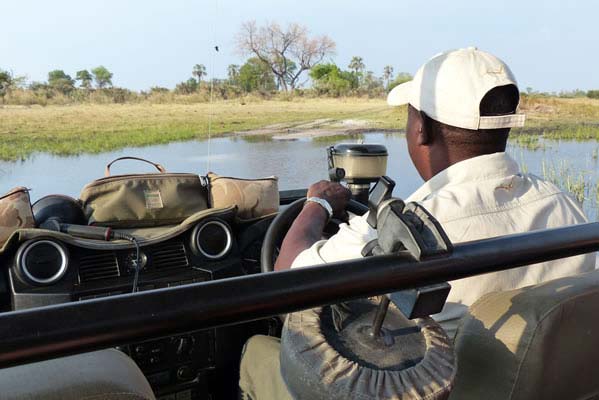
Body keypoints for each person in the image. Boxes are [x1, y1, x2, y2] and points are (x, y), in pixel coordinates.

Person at [239, 47, 596, 399]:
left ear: (421, 129)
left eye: (409, 118)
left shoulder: (407, 224)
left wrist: (316, 204)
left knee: (257, 351)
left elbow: (288, 278)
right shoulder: (562, 204)